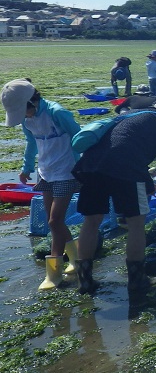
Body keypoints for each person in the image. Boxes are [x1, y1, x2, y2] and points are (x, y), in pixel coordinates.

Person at [72, 95, 156, 295]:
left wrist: (146, 181)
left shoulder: (134, 114)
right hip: (126, 169)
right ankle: (138, 280)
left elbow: (121, 146)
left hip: (90, 166)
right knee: (136, 224)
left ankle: (84, 281)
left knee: (91, 221)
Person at [2, 79, 82, 291]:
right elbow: (31, 144)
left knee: (55, 221)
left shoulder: (57, 113)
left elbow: (80, 136)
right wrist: (26, 167)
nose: (22, 117)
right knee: (51, 220)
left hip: (67, 171)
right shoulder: (27, 121)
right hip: (45, 172)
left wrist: (86, 166)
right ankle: (75, 260)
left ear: (32, 102)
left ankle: (54, 273)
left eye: (22, 111)